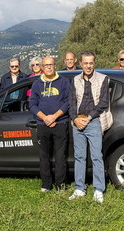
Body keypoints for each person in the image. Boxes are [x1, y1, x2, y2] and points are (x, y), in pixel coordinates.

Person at [68, 51, 113, 203]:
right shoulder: (75, 80)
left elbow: (103, 103)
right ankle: (79, 188)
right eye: (85, 63)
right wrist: (75, 119)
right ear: (81, 64)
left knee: (96, 156)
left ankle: (98, 189)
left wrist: (88, 118)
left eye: (91, 63)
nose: (88, 66)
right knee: (79, 157)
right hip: (77, 122)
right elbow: (72, 102)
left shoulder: (102, 79)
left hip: (93, 121)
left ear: (94, 63)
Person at [29, 56, 70, 192]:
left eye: (51, 65)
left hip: (60, 123)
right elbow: (32, 104)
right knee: (44, 155)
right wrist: (45, 118)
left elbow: (68, 102)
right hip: (42, 124)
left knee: (60, 156)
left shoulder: (63, 82)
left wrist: (54, 117)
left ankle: (60, 185)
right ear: (42, 67)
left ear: (55, 66)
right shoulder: (37, 84)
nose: (48, 67)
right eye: (46, 65)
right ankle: (46, 184)